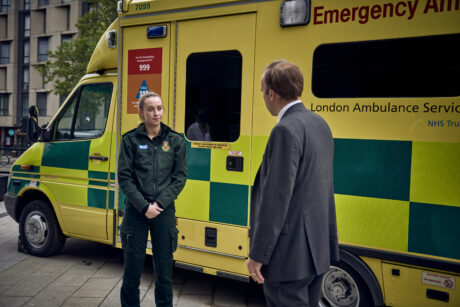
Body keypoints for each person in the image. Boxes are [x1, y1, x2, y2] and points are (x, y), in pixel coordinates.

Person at [247, 60, 339, 306]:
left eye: (262, 91)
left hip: (288, 257)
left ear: (272, 93)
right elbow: (324, 188)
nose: (263, 97)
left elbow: (275, 201)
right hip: (315, 251)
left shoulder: (285, 130)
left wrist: (258, 255)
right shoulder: (320, 124)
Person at [118, 92, 187, 307]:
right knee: (132, 271)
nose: (156, 113)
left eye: (159, 108)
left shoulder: (175, 140)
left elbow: (180, 177)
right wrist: (143, 206)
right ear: (141, 112)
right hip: (136, 212)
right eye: (150, 109)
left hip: (163, 212)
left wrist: (159, 204)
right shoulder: (130, 140)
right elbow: (124, 177)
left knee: (165, 272)